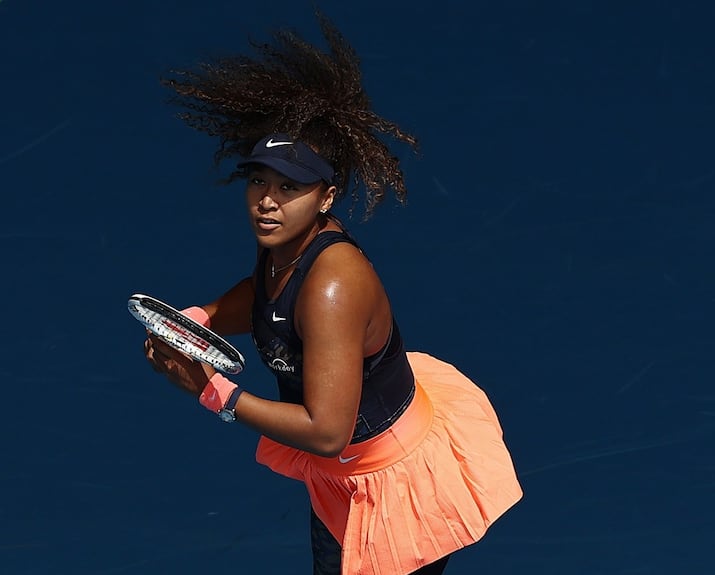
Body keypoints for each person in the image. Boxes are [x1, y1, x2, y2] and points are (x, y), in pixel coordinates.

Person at [142, 11, 522, 575]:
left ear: (327, 197)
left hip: (392, 488)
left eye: (289, 187)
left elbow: (324, 431)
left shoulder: (333, 288)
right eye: (259, 181)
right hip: (343, 478)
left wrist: (213, 391)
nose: (267, 201)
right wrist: (201, 319)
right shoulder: (286, 242)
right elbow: (267, 291)